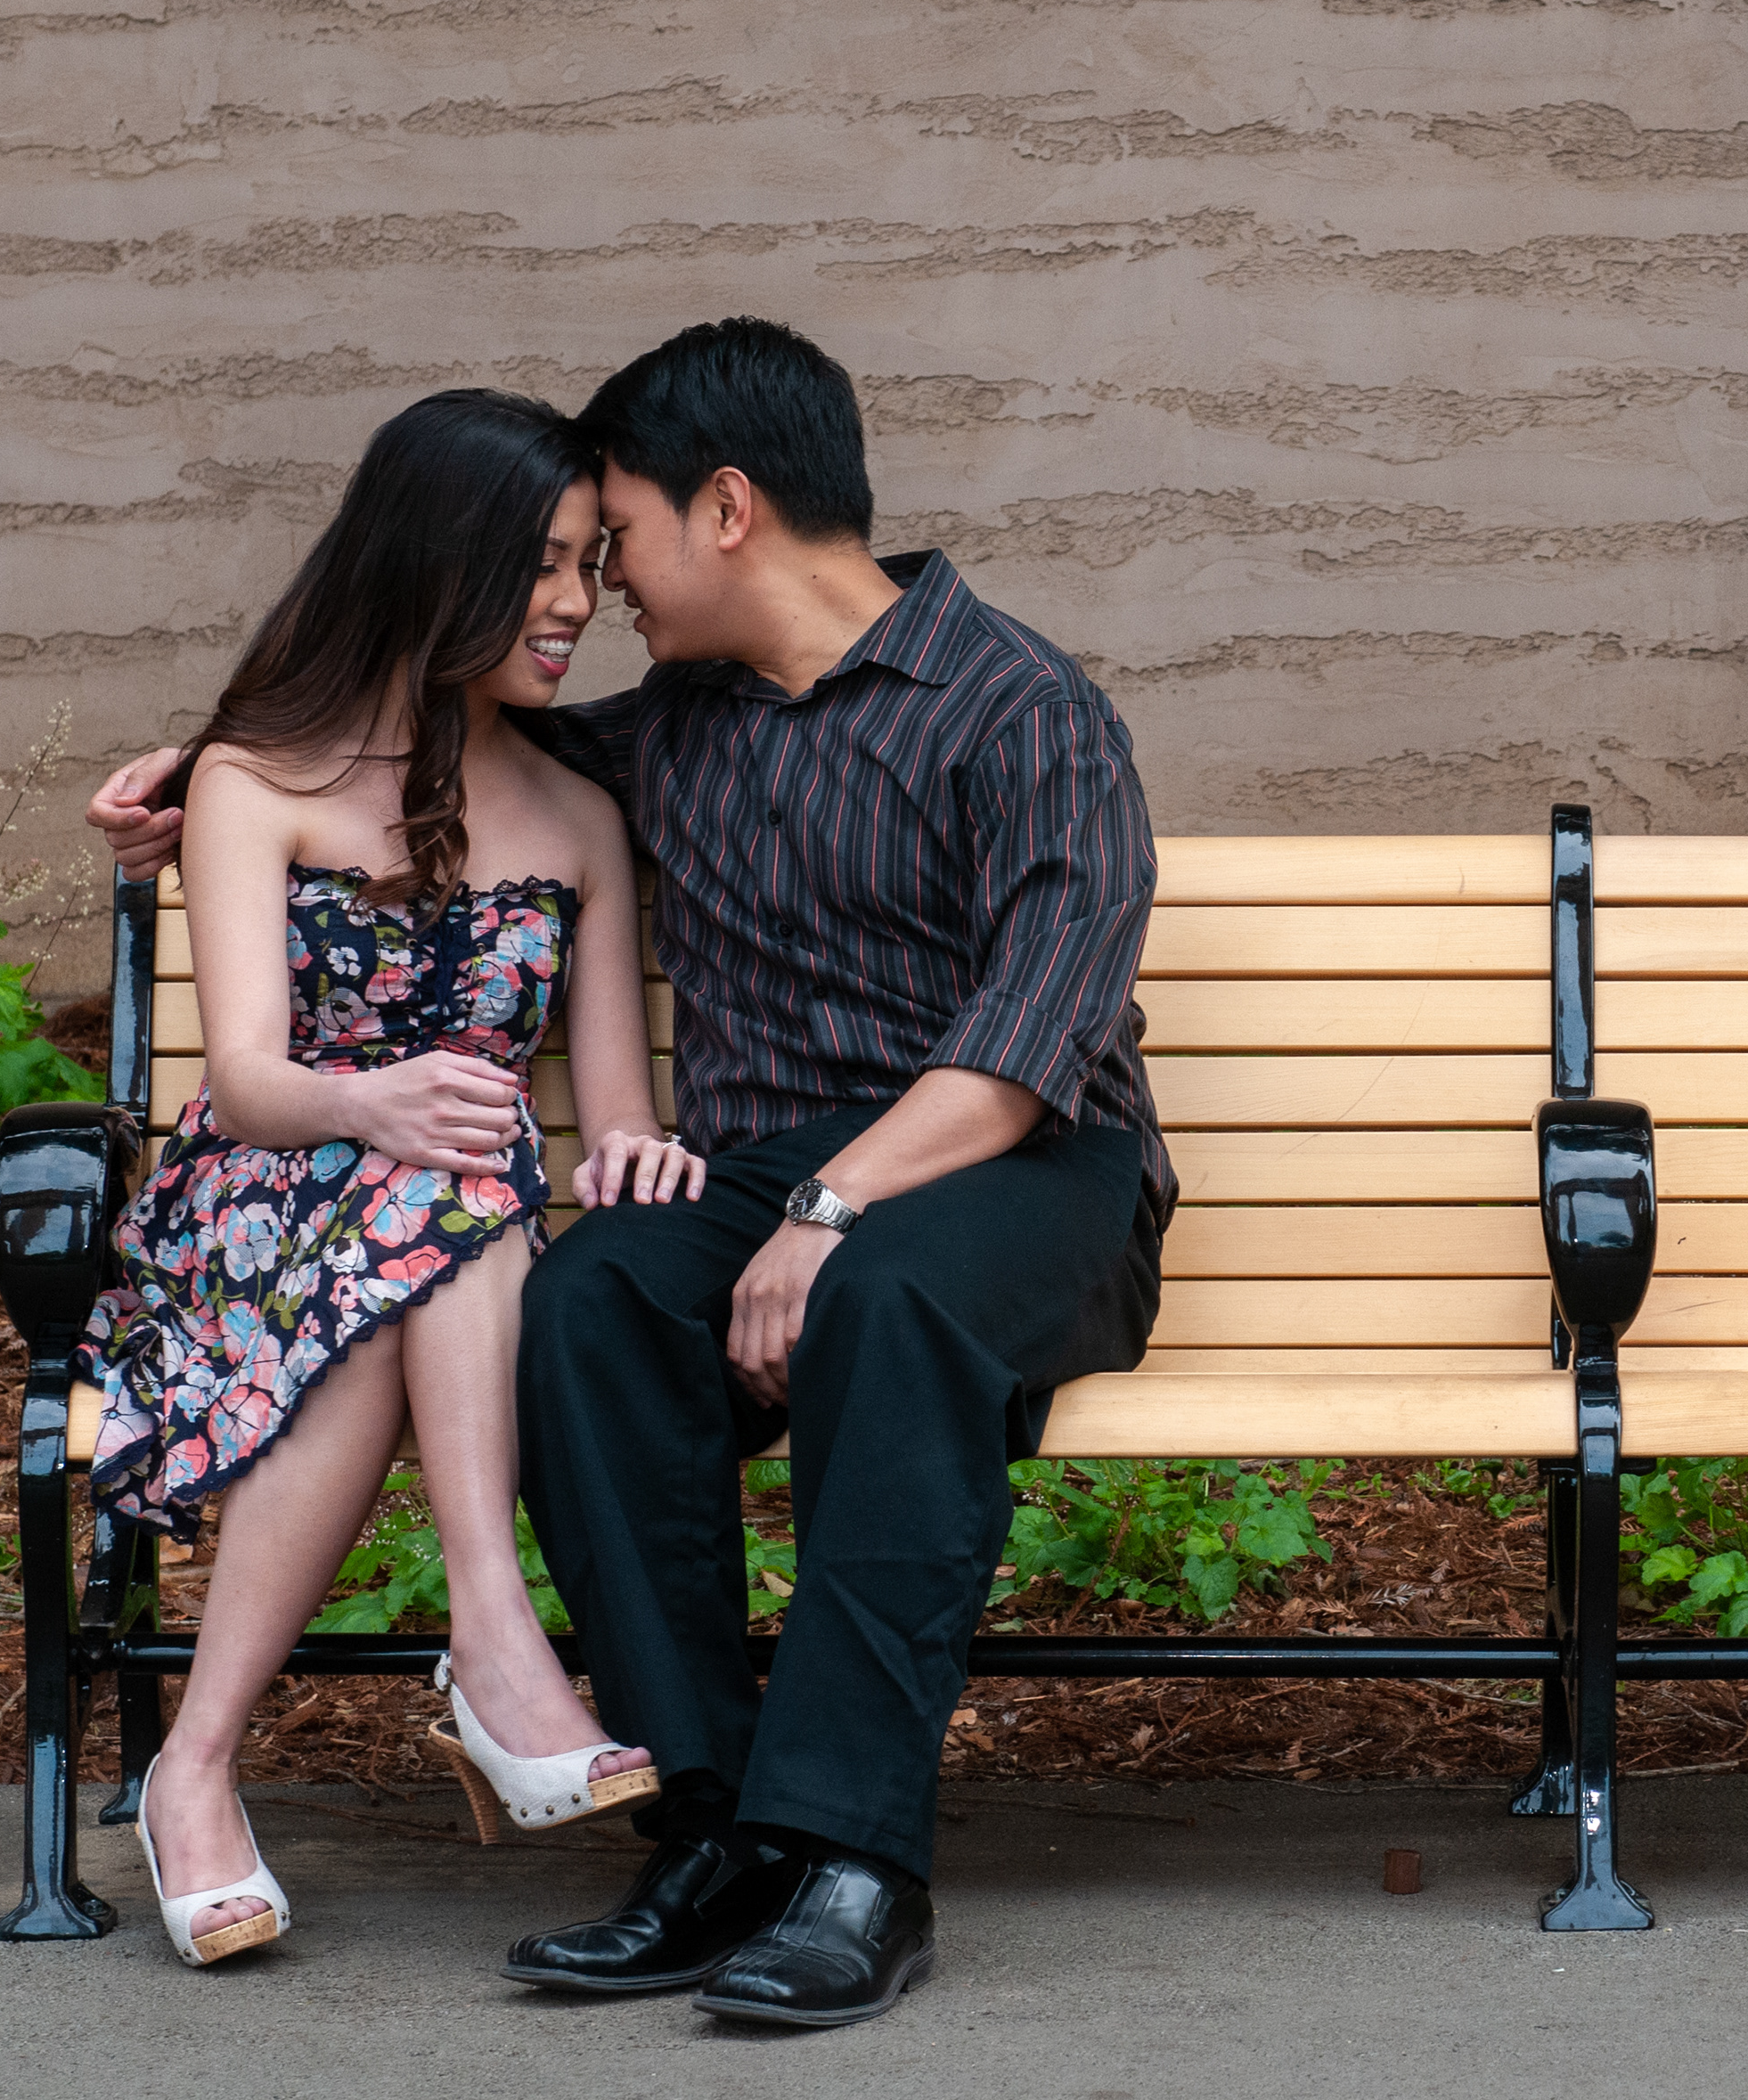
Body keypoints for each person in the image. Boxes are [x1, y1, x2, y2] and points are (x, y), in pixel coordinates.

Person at [93, 317, 1171, 2029]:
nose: (600, 592)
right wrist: (195, 761)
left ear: (726, 508)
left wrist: (827, 1212)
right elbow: (413, 745)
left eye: (620, 542)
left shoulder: (1027, 715)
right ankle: (721, 1823)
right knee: (589, 1301)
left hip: (1026, 1167)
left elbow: (1027, 1047)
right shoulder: (674, 728)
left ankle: (854, 1862)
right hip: (772, 1177)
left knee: (886, 1296)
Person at [77, 389, 696, 1970]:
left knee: (453, 1192)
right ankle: (494, 1644)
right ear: (443, 561)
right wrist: (383, 1098)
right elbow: (255, 1085)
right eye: (545, 565)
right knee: (448, 1180)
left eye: (588, 564)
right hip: (252, 1213)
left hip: (447, 1234)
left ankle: (195, 1766)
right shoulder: (258, 778)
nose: (575, 601)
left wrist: (636, 1145)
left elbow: (609, 1109)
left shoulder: (578, 816)